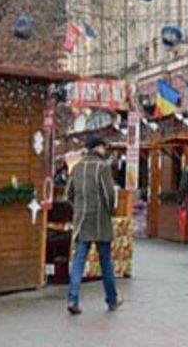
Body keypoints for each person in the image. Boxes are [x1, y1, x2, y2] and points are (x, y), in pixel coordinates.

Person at [66, 135, 121, 315]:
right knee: (105, 261)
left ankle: (72, 298)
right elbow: (109, 195)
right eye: (103, 147)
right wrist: (110, 210)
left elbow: (69, 194)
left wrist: (79, 208)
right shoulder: (102, 167)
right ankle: (112, 299)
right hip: (100, 222)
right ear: (98, 148)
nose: (105, 150)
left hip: (81, 221)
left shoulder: (77, 168)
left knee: (78, 261)